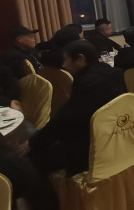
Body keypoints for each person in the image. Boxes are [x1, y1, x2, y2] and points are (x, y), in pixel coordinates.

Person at [28, 41, 127, 177]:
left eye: (66, 60)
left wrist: (35, 142)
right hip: (117, 137)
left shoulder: (87, 81)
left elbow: (68, 118)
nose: (64, 65)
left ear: (80, 58)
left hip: (92, 147)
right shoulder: (116, 73)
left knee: (31, 162)